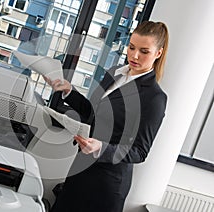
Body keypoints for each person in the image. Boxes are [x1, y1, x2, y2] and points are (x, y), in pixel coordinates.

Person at [44, 21, 169, 212]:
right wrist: (69, 91)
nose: (134, 55)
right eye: (132, 47)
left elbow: (139, 151)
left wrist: (101, 148)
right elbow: (93, 113)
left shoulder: (154, 97)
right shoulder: (114, 73)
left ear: (158, 53)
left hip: (106, 184)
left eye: (144, 51)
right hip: (81, 170)